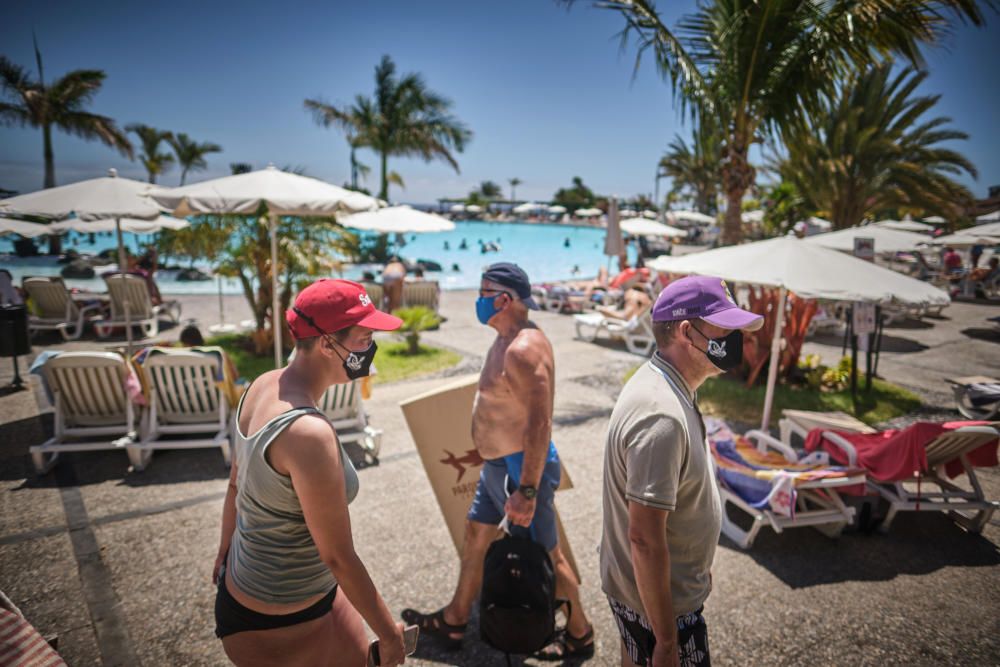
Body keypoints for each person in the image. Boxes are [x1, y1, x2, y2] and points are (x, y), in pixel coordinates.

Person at [401, 262, 594, 660]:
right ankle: (454, 621)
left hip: (519, 470)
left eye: (484, 291)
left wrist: (526, 488)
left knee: (547, 558)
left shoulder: (523, 349)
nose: (478, 300)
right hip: (496, 468)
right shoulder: (507, 338)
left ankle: (581, 634)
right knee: (476, 536)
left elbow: (540, 424)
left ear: (504, 299)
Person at [213, 279, 408, 667]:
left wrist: (224, 551)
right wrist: (389, 635)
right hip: (278, 619)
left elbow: (236, 485)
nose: (370, 350)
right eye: (364, 338)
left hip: (251, 587)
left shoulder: (263, 385)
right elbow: (337, 555)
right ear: (325, 344)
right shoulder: (308, 433)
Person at [602, 276, 763, 667]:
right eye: (726, 329)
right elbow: (643, 538)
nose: (736, 338)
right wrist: (667, 642)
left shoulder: (667, 386)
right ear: (687, 332)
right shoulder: (662, 415)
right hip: (662, 612)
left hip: (650, 598)